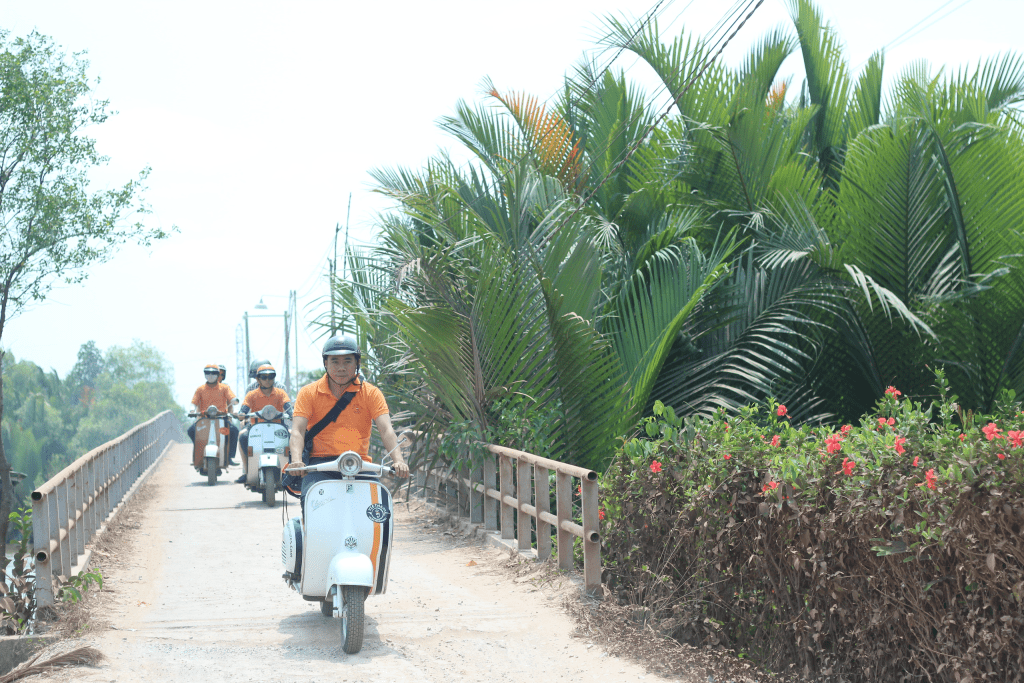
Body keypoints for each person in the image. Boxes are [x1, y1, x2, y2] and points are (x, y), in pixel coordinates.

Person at [285, 334, 409, 509]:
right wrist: (297, 461)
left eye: (347, 361)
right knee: (311, 503)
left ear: (357, 363)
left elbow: (386, 429)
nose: (341, 368)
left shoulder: (371, 393)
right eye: (335, 361)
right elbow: (297, 431)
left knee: (379, 508)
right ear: (325, 363)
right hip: (320, 465)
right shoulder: (308, 393)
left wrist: (398, 460)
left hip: (360, 464)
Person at [236, 364, 291, 483]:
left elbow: (287, 406)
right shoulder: (251, 395)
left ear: (274, 378)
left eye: (270, 377)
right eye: (264, 377)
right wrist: (241, 413)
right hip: (256, 427)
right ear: (257, 379)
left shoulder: (281, 393)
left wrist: (292, 413)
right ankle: (248, 469)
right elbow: (244, 409)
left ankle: (292, 470)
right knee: (243, 437)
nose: (267, 380)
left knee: (294, 437)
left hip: (279, 427)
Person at [187, 363, 239, 464]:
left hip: (221, 418)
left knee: (233, 431)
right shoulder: (200, 389)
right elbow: (193, 403)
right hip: (204, 418)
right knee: (191, 430)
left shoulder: (224, 388)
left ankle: (229, 456)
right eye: (208, 373)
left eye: (213, 373)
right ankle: (198, 453)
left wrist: (235, 404)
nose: (210, 375)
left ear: (218, 374)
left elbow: (232, 398)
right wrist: (192, 410)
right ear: (204, 374)